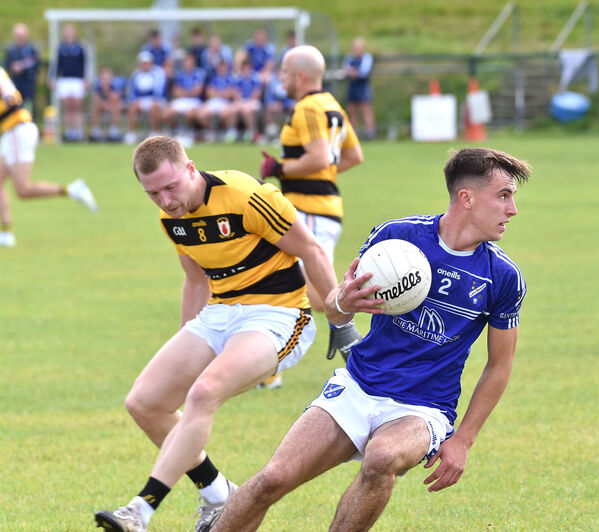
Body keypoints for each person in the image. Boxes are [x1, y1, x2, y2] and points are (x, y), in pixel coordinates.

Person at [206, 146, 529, 532]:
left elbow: (500, 365)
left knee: (382, 457)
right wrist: (342, 300)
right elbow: (338, 309)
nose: (512, 210)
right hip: (359, 386)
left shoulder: (502, 277)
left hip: (424, 409)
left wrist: (464, 439)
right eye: (504, 196)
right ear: (467, 197)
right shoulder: (397, 238)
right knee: (272, 480)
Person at [93, 135, 339, 531]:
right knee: (145, 402)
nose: (166, 201)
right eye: (152, 193)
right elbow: (195, 281)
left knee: (203, 393)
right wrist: (184, 337)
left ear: (190, 168)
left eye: (171, 187)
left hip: (278, 314)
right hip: (220, 311)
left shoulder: (244, 196)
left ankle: (141, 509)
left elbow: (311, 249)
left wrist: (340, 322)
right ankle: (218, 495)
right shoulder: (170, 217)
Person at [259, 44, 364, 363]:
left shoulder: (307, 108)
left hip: (310, 210)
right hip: (322, 209)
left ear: (300, 76)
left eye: (285, 73)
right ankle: (355, 338)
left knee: (286, 282)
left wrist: (280, 169)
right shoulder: (332, 104)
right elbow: (352, 156)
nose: (281, 78)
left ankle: (364, 328)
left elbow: (318, 157)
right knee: (319, 297)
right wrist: (315, 176)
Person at [0, 66, 97, 247]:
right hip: (9, 132)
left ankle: (73, 190)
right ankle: (5, 233)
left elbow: (10, 96)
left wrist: (6, 97)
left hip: (17, 128)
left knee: (23, 190)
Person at [48, 23, 88, 142]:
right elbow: (55, 65)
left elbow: (85, 64)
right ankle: (69, 131)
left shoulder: (80, 47)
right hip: (65, 80)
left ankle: (78, 130)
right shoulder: (61, 47)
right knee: (67, 105)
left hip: (77, 80)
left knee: (77, 105)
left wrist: (86, 79)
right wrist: (53, 78)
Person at [124, 51, 168, 145]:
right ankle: (132, 134)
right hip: (141, 100)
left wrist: (153, 99)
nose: (145, 65)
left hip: (155, 100)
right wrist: (134, 100)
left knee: (154, 106)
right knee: (132, 107)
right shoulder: (135, 75)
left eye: (147, 63)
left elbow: (159, 91)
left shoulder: (158, 73)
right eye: (143, 63)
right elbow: (132, 91)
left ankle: (155, 132)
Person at [163, 52, 206, 140]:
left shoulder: (199, 73)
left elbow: (197, 91)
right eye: (186, 61)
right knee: (166, 114)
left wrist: (184, 92)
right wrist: (188, 92)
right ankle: (178, 130)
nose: (188, 63)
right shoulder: (180, 74)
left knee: (190, 114)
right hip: (182, 100)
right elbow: (175, 91)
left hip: (194, 101)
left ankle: (189, 132)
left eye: (190, 61)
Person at [342, 37, 376, 140]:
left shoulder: (367, 57)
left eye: (359, 47)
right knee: (352, 110)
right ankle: (353, 133)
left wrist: (352, 72)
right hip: (352, 87)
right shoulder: (349, 58)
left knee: (366, 110)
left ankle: (370, 133)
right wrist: (353, 72)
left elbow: (363, 73)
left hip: (362, 88)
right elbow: (345, 71)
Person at [4, 23, 39, 118]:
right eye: (18, 35)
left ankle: (30, 124)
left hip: (28, 82)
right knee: (15, 106)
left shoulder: (31, 48)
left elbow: (36, 62)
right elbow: (6, 63)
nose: (19, 37)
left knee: (29, 106)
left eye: (21, 35)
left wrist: (23, 66)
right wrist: (13, 67)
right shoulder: (11, 49)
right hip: (15, 82)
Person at [225, 57, 262, 143]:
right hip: (241, 101)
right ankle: (231, 132)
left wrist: (247, 102)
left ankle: (252, 132)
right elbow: (234, 91)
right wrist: (240, 100)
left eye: (248, 67)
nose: (246, 70)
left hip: (253, 101)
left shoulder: (255, 78)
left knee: (247, 110)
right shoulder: (238, 78)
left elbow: (257, 93)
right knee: (232, 109)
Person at [196, 59, 233, 142]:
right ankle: (212, 131)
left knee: (227, 114)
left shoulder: (230, 78)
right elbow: (209, 93)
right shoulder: (213, 78)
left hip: (225, 102)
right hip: (213, 101)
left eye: (224, 67)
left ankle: (224, 133)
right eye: (220, 67)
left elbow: (230, 94)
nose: (222, 69)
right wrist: (222, 93)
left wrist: (217, 92)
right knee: (201, 114)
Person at [89, 67, 126, 142]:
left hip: (117, 105)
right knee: (95, 107)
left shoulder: (117, 84)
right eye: (104, 78)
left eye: (107, 78)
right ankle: (96, 130)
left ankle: (114, 130)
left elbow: (115, 98)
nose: (105, 80)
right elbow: (95, 99)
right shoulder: (97, 85)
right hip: (104, 105)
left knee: (116, 106)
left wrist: (107, 90)